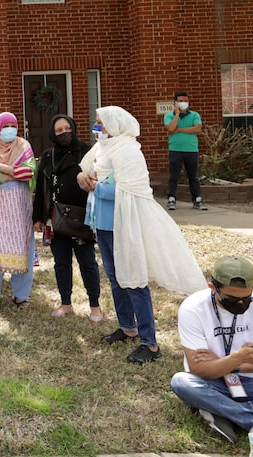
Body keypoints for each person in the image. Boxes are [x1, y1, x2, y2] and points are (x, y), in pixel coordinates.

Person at [77, 106, 206, 364]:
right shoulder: (102, 148)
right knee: (115, 277)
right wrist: (83, 177)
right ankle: (128, 327)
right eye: (96, 122)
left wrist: (96, 186)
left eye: (101, 123)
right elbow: (87, 171)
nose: (97, 127)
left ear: (115, 125)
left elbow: (133, 190)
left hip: (125, 223)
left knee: (133, 279)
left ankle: (150, 343)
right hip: (103, 223)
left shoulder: (128, 151)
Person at [171, 255, 253, 443]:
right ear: (213, 288)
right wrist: (239, 357)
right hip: (208, 382)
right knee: (181, 382)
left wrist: (226, 363)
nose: (241, 303)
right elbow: (200, 369)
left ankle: (222, 411)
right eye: (232, 298)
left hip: (246, 382)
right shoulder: (193, 309)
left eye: (246, 298)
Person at [32, 114, 102, 321]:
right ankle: (66, 303)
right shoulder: (48, 156)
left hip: (82, 218)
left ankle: (95, 306)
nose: (64, 133)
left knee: (87, 262)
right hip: (56, 219)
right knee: (61, 262)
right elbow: (41, 188)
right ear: (52, 134)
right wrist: (38, 217)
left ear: (73, 127)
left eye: (67, 128)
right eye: (59, 130)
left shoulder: (88, 151)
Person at [0, 112, 37, 311]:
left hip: (19, 209)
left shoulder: (23, 145)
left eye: (13, 125)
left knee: (22, 249)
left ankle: (21, 295)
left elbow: (29, 172)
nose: (10, 130)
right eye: (5, 126)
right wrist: (15, 172)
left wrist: (2, 168)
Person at [165, 91, 208, 211]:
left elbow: (197, 128)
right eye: (181, 101)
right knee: (174, 176)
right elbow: (171, 128)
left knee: (193, 176)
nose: (184, 103)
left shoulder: (194, 115)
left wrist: (180, 129)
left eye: (186, 100)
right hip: (175, 150)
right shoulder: (169, 115)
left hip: (191, 150)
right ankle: (171, 199)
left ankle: (197, 200)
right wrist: (177, 114)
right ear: (175, 103)